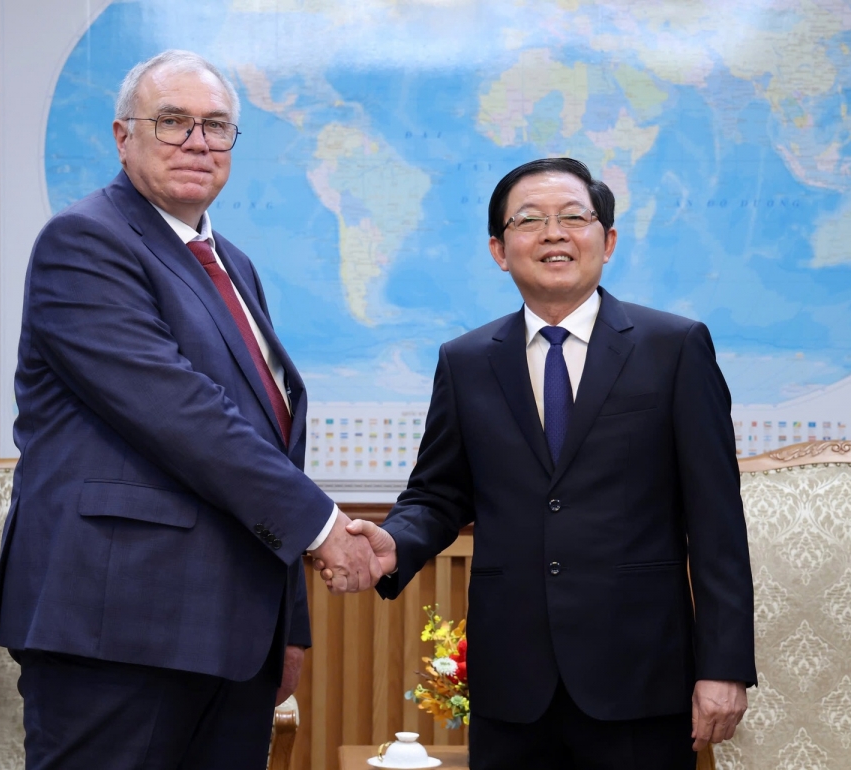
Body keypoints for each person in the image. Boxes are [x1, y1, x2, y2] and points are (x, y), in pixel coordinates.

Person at [0, 50, 382, 770]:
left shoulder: (232, 264)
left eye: (216, 126)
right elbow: (183, 416)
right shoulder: (87, 242)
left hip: (230, 642)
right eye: (173, 122)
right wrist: (325, 529)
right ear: (121, 136)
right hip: (116, 630)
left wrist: (286, 627)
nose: (198, 142)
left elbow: (263, 442)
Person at [324, 158, 756, 769]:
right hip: (513, 682)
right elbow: (439, 493)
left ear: (606, 240)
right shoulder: (467, 360)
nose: (554, 233)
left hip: (639, 678)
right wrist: (395, 541)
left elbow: (717, 524)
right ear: (500, 250)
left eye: (573, 217)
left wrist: (723, 666)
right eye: (529, 221)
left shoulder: (675, 348)